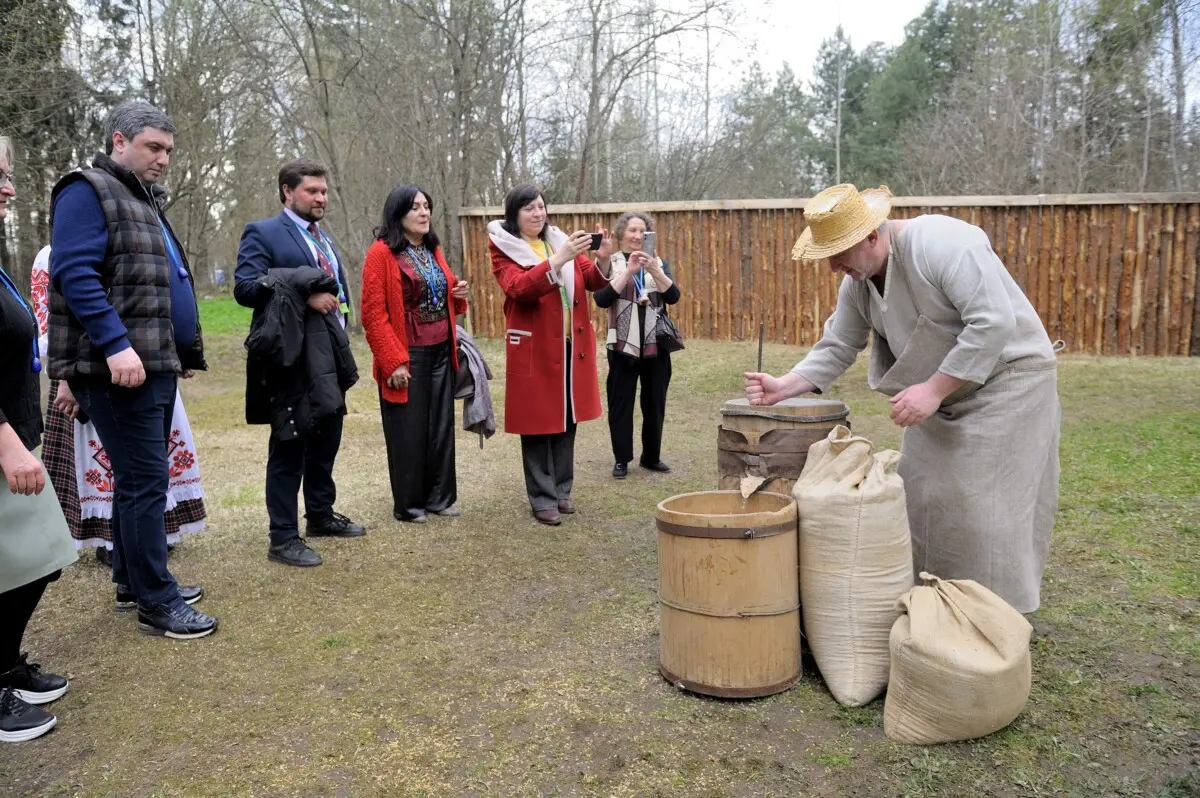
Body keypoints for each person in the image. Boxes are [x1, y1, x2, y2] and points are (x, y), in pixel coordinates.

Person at [744, 184, 1061, 613]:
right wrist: (786, 385)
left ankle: (995, 617)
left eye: (839, 252)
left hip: (1009, 384)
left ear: (872, 235)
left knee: (986, 511)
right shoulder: (858, 282)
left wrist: (932, 390)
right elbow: (838, 345)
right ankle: (935, 605)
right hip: (942, 393)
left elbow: (992, 322)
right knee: (919, 497)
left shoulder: (943, 243)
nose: (833, 265)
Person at [48, 100, 216, 639]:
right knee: (146, 480)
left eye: (168, 150)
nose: (164, 159)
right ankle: (156, 601)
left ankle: (129, 580)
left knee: (136, 479)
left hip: (152, 365)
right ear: (119, 141)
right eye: (154, 147)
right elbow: (75, 274)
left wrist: (180, 350)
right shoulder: (86, 189)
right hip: (115, 369)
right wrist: (117, 346)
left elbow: (152, 282)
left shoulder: (142, 197)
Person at [32, 246, 208, 578]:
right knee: (112, 465)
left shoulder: (136, 239)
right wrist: (64, 376)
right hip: (90, 372)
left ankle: (146, 547)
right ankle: (113, 543)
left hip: (148, 366)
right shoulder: (53, 256)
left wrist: (178, 348)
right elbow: (51, 320)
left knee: (149, 467)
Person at [235, 158, 364, 567]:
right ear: (288, 192)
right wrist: (300, 293)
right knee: (290, 445)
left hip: (330, 351)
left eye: (324, 191)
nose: (321, 197)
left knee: (328, 438)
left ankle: (321, 516)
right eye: (312, 191)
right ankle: (283, 537)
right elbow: (245, 287)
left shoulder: (322, 238)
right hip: (292, 357)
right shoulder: (265, 232)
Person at [0, 136, 78, 742]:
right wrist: (4, 439)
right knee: (20, 561)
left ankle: (6, 664)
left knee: (38, 562)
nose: (9, 187)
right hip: (3, 441)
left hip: (18, 434)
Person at [488, 185, 613, 526]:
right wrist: (560, 258)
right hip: (534, 347)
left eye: (541, 206)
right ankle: (542, 497)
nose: (538, 213)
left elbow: (591, 280)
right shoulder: (504, 246)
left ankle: (562, 490)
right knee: (537, 423)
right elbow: (519, 288)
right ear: (514, 214)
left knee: (566, 420)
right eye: (529, 208)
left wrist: (602, 257)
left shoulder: (558, 240)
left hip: (571, 347)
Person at [360, 185, 469, 523]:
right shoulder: (381, 253)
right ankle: (409, 506)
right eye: (415, 208)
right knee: (408, 432)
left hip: (440, 348)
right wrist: (392, 361)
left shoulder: (433, 249)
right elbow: (373, 314)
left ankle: (440, 498)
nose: (424, 213)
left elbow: (442, 295)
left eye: (426, 206)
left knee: (440, 427)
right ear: (398, 214)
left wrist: (457, 294)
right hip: (407, 354)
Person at [593, 211, 682, 479]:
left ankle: (651, 456)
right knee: (621, 403)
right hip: (622, 345)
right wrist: (629, 271)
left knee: (655, 402)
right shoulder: (612, 262)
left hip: (657, 344)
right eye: (632, 230)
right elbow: (602, 298)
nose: (637, 235)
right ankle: (622, 459)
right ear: (621, 234)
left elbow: (673, 296)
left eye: (642, 231)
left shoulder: (658, 262)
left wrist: (654, 269)